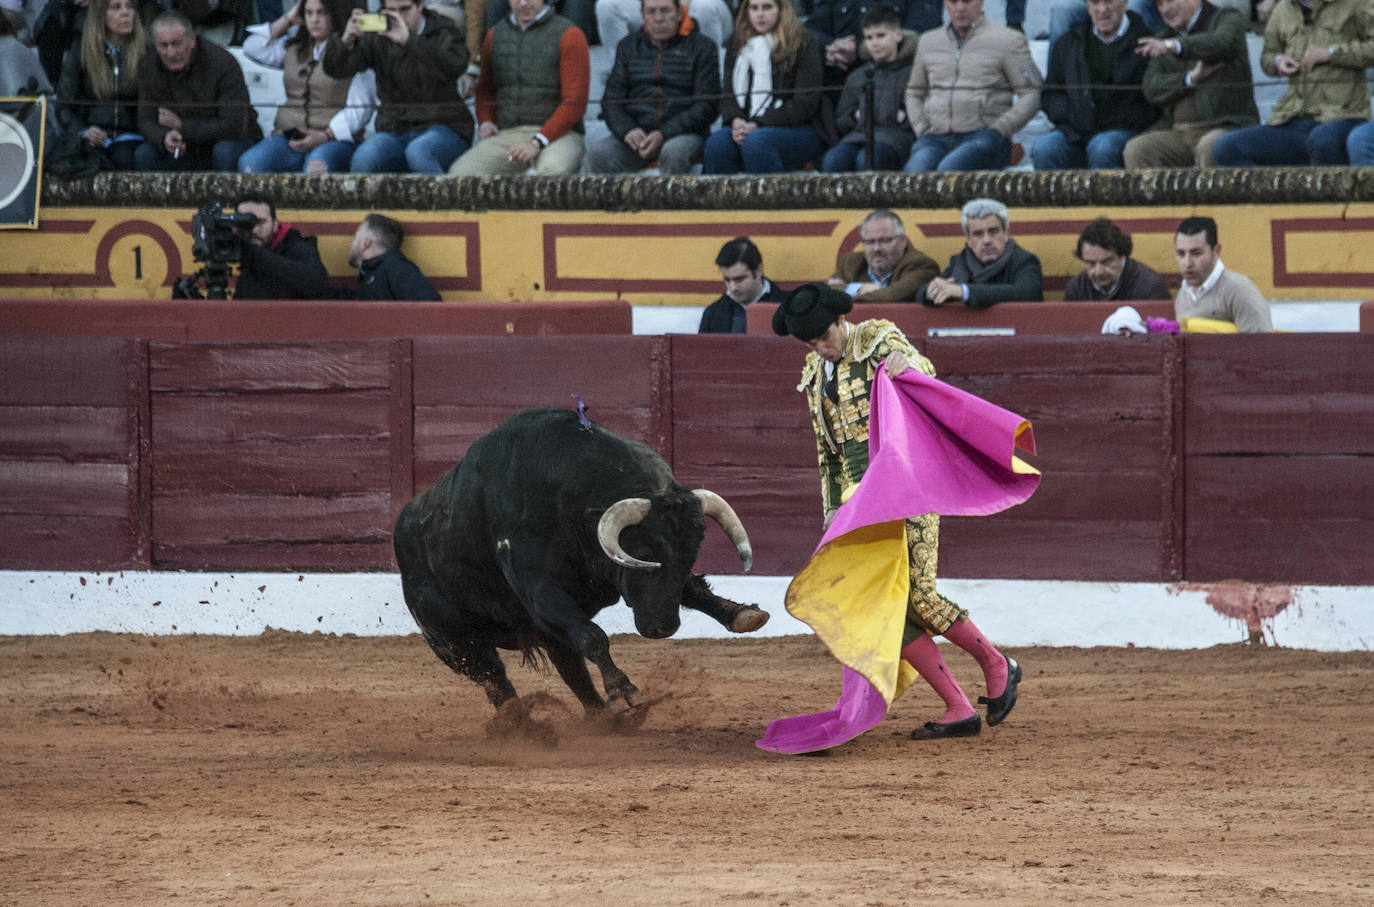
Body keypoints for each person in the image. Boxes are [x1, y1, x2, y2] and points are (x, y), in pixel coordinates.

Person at [768, 283, 1023, 742]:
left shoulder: (878, 339)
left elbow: (922, 372)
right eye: (810, 344)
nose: (820, 349)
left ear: (841, 321)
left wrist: (911, 364)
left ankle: (996, 662)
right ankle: (958, 706)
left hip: (906, 487)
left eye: (823, 337)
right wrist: (831, 508)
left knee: (920, 596)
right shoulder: (813, 373)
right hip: (858, 505)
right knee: (884, 610)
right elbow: (828, 454)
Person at [1211, 0, 1374, 167]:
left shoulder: (1357, 4)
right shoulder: (1283, 8)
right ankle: (1276, 194)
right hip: (1293, 118)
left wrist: (1331, 53)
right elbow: (1268, 56)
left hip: (1343, 118)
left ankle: (1326, 193)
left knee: (1322, 140)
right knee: (1226, 148)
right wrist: (1277, 61)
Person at [323, 0, 473, 174]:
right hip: (395, 127)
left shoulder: (444, 30)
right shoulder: (378, 34)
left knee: (419, 153)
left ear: (420, 5)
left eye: (405, 9)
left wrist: (410, 41)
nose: (398, 17)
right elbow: (337, 71)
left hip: (445, 126)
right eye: (391, 10)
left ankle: (441, 202)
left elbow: (455, 66)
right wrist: (345, 40)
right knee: (365, 157)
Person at [447, 0, 589, 176]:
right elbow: (486, 89)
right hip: (509, 134)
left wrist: (537, 142)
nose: (523, 3)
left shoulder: (569, 34)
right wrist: (485, 121)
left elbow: (575, 102)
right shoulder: (495, 34)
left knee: (552, 173)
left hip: (562, 135)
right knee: (460, 175)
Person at [237, 0, 378, 174]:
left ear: (335, 15)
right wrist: (288, 19)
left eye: (321, 13)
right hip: (288, 137)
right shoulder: (294, 48)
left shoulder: (355, 51)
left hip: (333, 140)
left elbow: (360, 108)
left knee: (316, 168)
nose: (314, 20)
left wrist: (326, 135)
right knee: (250, 163)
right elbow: (253, 47)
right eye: (309, 13)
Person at [903, 0, 1042, 173]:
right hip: (936, 136)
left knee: (950, 171)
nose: (960, 8)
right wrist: (921, 128)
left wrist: (1001, 129)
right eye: (953, 2)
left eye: (968, 1)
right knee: (913, 177)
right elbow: (914, 92)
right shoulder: (928, 41)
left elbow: (1031, 93)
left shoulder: (1007, 40)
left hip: (984, 137)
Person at [584, 0, 720, 175]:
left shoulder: (703, 46)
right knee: (598, 155)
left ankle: (670, 203)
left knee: (674, 153)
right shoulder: (627, 46)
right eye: (651, 12)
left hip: (683, 133)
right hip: (637, 133)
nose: (658, 19)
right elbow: (612, 101)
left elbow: (707, 105)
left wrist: (664, 132)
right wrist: (628, 130)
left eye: (665, 11)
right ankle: (610, 204)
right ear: (642, 16)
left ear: (679, 14)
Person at [1122, 0, 1258, 170]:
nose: (1165, 9)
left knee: (1210, 147)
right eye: (1160, 4)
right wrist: (1190, 79)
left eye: (1170, 1)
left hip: (1227, 126)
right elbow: (1152, 88)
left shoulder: (1226, 17)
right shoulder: (1162, 39)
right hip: (1180, 132)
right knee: (1137, 150)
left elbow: (1222, 42)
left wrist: (1175, 46)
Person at [702, 0, 832, 174]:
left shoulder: (803, 43)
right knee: (718, 143)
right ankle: (719, 202)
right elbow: (728, 97)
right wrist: (736, 121)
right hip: (749, 127)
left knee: (757, 142)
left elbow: (805, 104)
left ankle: (770, 202)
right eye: (754, 8)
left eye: (767, 7)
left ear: (781, 9)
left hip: (799, 129)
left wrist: (759, 123)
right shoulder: (737, 45)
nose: (760, 14)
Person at [1032, 0, 1157, 171]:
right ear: (1087, 6)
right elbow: (1051, 94)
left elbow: (1151, 104)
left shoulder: (1146, 43)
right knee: (1044, 148)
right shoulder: (1069, 42)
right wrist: (1072, 115)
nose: (1102, 10)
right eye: (1095, 3)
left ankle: (1103, 198)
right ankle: (1056, 199)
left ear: (1125, 3)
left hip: (1124, 131)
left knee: (1102, 147)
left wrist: (1104, 120)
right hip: (1076, 131)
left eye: (1109, 2)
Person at [133, 10, 263, 172]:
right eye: (163, 45)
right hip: (183, 144)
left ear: (192, 39)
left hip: (229, 141)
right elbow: (145, 120)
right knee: (144, 154)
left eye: (177, 43)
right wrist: (163, 137)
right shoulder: (148, 64)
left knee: (224, 151)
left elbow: (233, 125)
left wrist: (181, 126)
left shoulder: (222, 63)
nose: (171, 53)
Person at [820, 4, 917, 173]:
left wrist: (906, 118)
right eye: (869, 37)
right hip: (857, 137)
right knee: (832, 160)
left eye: (880, 35)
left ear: (898, 34)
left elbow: (923, 111)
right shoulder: (858, 76)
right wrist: (854, 116)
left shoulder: (913, 72)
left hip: (895, 140)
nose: (874, 43)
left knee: (868, 159)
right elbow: (840, 119)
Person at [54, 0, 143, 171]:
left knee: (123, 157)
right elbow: (63, 105)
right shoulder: (80, 50)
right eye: (116, 7)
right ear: (100, 14)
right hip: (93, 135)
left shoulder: (146, 50)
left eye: (130, 6)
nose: (126, 12)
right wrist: (83, 130)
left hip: (133, 136)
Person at [917, 198, 1043, 307]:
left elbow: (1029, 292)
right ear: (968, 240)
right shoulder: (960, 262)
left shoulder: (1024, 261)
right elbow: (921, 294)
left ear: (1006, 234)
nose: (987, 240)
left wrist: (964, 292)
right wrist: (934, 290)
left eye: (993, 232)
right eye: (978, 234)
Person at [1172, 216, 1273, 332]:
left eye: (1196, 253)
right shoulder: (1183, 295)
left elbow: (1263, 345)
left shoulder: (1238, 291)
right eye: (1181, 254)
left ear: (1216, 252)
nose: (1187, 263)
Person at [804, 0, 939, 87]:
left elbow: (919, 34)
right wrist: (831, 48)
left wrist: (859, 50)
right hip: (838, 78)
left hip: (895, 80)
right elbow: (812, 29)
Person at [232, 193, 332, 300]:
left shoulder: (297, 248)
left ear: (275, 225)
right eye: (246, 224)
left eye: (261, 222)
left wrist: (254, 255)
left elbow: (318, 283)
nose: (254, 230)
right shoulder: (241, 250)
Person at [827, 209, 939, 301]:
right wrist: (859, 288)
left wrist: (843, 291)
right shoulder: (850, 263)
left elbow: (889, 297)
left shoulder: (922, 265)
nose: (877, 249)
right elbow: (824, 294)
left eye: (885, 241)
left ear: (902, 241)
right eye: (870, 242)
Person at [1064, 217, 1171, 301]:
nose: (1098, 271)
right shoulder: (1076, 288)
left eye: (1106, 262)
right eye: (1090, 263)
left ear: (1122, 256)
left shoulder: (1150, 286)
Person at [699, 237, 787, 333]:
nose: (733, 288)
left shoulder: (789, 307)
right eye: (727, 280)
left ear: (758, 270)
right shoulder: (712, 313)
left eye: (739, 279)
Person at [349, 213, 443, 301]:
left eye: (356, 238)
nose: (352, 244)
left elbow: (433, 309)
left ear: (365, 243)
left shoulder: (397, 268)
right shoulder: (373, 274)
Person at [597, 0, 733, 53]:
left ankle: (711, 78)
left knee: (704, 7)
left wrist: (680, 12)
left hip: (705, 10)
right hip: (654, 5)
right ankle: (621, 75)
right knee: (607, 6)